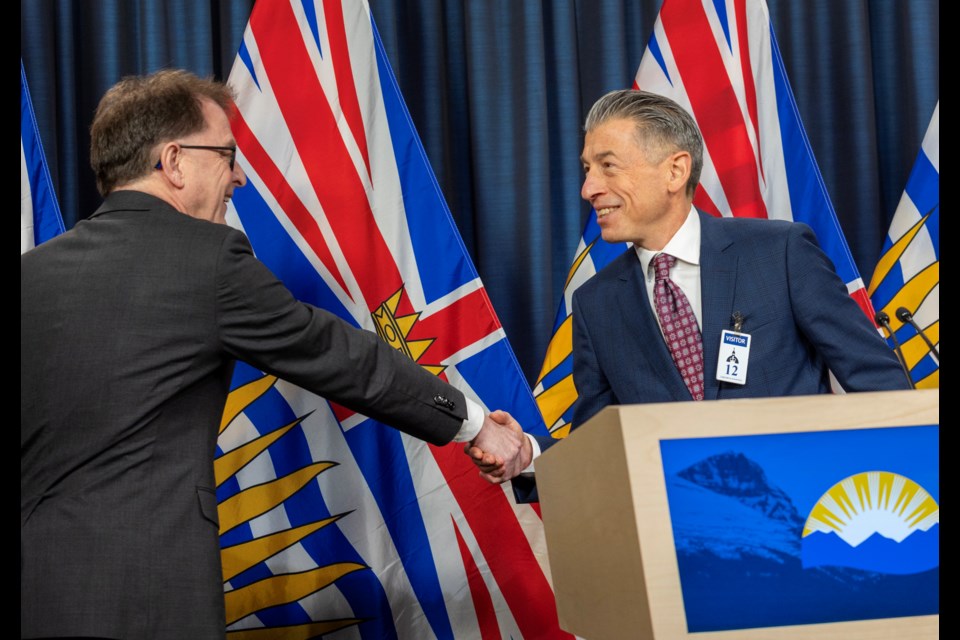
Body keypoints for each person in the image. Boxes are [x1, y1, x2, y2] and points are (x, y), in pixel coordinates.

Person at [21, 69, 526, 640]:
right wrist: (475, 423)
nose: (238, 176)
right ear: (174, 160)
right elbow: (341, 357)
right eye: (227, 154)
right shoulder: (204, 260)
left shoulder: (30, 276)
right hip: (149, 602)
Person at [466, 89, 909, 491]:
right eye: (586, 170)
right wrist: (531, 456)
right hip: (686, 546)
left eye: (607, 166)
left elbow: (880, 385)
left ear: (675, 171)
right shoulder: (596, 303)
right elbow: (600, 447)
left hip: (814, 519)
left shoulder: (780, 252)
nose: (589, 189)